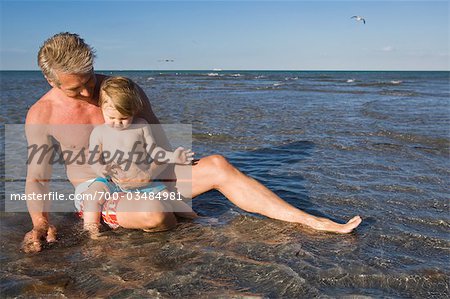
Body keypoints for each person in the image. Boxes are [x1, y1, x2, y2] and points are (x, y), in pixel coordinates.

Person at [22, 32, 362, 253]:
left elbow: (158, 143)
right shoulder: (42, 114)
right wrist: (40, 223)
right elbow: (37, 178)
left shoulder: (123, 91)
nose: (88, 92)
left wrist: (171, 162)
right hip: (102, 193)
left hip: (150, 180)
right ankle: (191, 225)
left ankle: (311, 220)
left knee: (217, 164)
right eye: (74, 89)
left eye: (89, 80)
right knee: (154, 212)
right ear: (49, 80)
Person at [81, 76, 197, 238]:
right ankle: (92, 230)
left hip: (143, 182)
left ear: (134, 110)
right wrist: (102, 169)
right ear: (102, 108)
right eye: (111, 117)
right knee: (93, 195)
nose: (117, 123)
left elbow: (154, 151)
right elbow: (93, 159)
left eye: (123, 118)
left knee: (177, 204)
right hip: (112, 181)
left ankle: (200, 223)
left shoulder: (141, 126)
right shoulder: (99, 132)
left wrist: (173, 156)